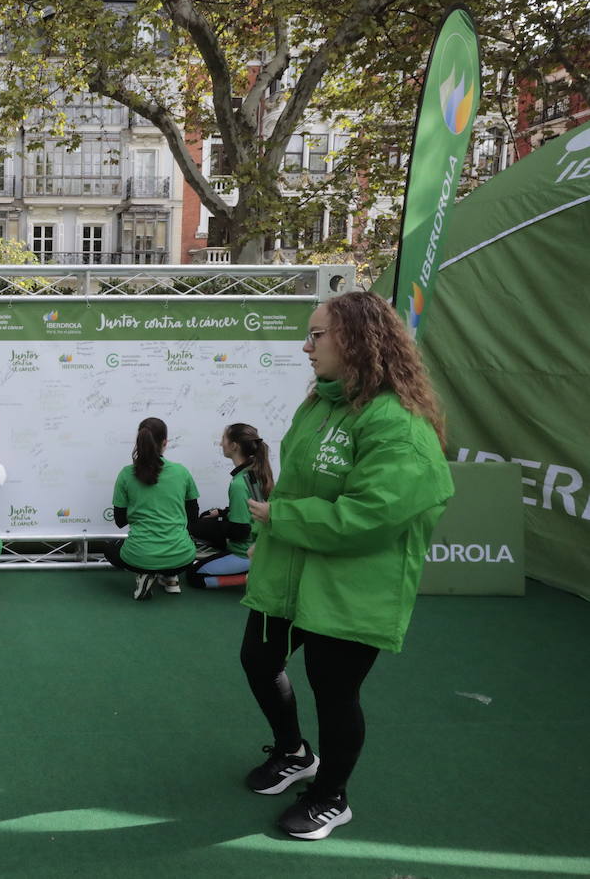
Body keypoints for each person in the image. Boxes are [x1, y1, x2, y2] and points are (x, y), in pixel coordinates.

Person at [239, 291, 453, 841]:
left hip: (352, 585)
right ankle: (294, 752)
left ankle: (331, 796)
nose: (305, 345)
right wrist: (269, 534)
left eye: (317, 335)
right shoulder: (320, 402)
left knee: (333, 692)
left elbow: (374, 516)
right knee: (259, 660)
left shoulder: (399, 425)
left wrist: (282, 518)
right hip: (288, 570)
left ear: (357, 340)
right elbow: (297, 483)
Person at [104, 417, 200, 599]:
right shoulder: (182, 471)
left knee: (110, 548)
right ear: (165, 442)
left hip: (140, 556)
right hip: (182, 556)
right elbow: (193, 516)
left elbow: (119, 521)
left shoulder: (126, 474)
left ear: (139, 440)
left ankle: (147, 574)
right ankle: (171, 578)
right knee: (176, 544)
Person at [187, 423, 274, 589]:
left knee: (194, 576)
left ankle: (251, 576)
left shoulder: (239, 484)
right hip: (257, 543)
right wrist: (221, 513)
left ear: (234, 446)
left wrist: (216, 523)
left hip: (244, 552)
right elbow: (249, 511)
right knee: (203, 522)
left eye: (223, 440)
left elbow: (239, 531)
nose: (221, 444)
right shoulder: (253, 471)